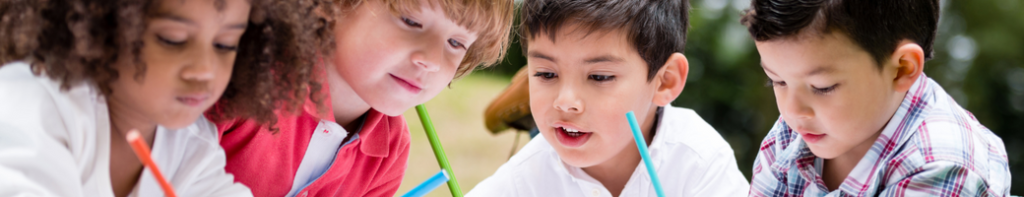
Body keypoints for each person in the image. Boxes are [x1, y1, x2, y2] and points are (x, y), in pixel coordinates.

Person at [0, 0, 320, 196]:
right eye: (173, 39)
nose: (205, 70)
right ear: (103, 25)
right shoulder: (34, 107)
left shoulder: (191, 146)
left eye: (225, 44)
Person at [207, 0, 516, 196]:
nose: (433, 60)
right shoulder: (244, 77)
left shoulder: (391, 150)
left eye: (455, 43)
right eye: (411, 21)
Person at [469, 0, 750, 196]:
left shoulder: (698, 160)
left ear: (665, 81)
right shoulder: (523, 178)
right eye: (545, 73)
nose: (565, 100)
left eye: (600, 76)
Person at [742, 0, 1012, 196]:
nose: (792, 110)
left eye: (822, 87)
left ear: (902, 69)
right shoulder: (797, 131)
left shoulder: (940, 165)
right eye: (777, 81)